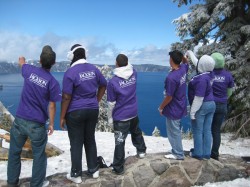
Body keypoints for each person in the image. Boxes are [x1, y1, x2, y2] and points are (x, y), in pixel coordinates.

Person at [7, 45, 61, 187]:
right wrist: (50, 123)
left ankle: (12, 182)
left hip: (20, 120)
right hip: (36, 125)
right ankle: (36, 184)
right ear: (54, 63)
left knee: (14, 153)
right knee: (39, 156)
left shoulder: (29, 70)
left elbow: (22, 63)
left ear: (40, 60)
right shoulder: (53, 83)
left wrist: (22, 60)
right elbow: (52, 105)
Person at [60, 44, 107, 184]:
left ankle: (76, 174)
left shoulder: (70, 72)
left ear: (72, 56)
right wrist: (96, 100)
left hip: (75, 112)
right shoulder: (94, 69)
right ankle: (94, 170)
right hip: (92, 110)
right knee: (90, 139)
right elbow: (104, 85)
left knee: (76, 143)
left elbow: (66, 97)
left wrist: (62, 116)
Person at [107, 54, 146, 175]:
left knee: (120, 141)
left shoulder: (113, 82)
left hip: (121, 116)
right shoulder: (134, 74)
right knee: (136, 131)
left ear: (116, 64)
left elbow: (111, 103)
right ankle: (141, 151)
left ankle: (118, 167)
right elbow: (131, 66)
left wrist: (110, 118)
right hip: (133, 112)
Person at [158, 50, 188, 160]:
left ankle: (178, 154)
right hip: (181, 104)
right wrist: (183, 57)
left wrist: (161, 107)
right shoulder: (183, 69)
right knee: (175, 130)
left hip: (173, 107)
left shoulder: (171, 78)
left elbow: (169, 96)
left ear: (171, 60)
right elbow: (186, 62)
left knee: (173, 132)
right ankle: (176, 150)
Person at [186, 50, 216, 160]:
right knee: (207, 130)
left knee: (198, 130)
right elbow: (198, 63)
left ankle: (198, 153)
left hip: (202, 106)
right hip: (211, 104)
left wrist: (192, 112)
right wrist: (189, 53)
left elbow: (199, 98)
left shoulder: (201, 80)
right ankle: (206, 153)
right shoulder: (209, 74)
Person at [210, 52, 234, 160]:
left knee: (206, 129)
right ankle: (215, 154)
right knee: (216, 130)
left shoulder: (209, 74)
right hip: (222, 104)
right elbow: (229, 92)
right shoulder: (228, 75)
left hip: (210, 105)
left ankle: (204, 151)